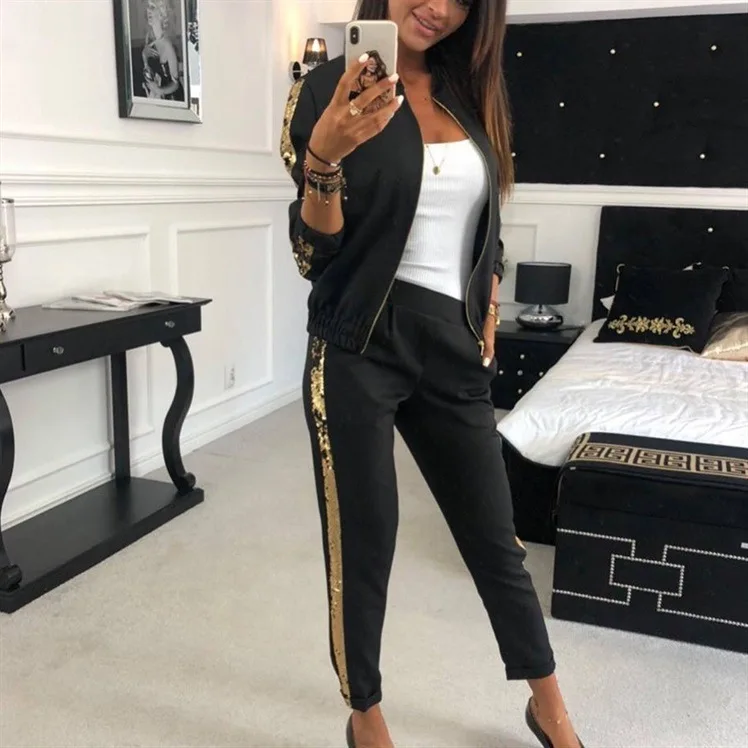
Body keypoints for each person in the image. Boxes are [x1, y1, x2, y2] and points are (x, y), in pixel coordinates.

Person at [279, 1, 584, 747]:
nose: (439, 8)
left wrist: (490, 297)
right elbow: (313, 255)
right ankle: (365, 715)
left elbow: (484, 223)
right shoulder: (321, 90)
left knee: (495, 538)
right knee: (365, 543)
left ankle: (549, 706)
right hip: (358, 344)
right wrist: (324, 158)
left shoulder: (469, 90)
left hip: (451, 347)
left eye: (463, 0)